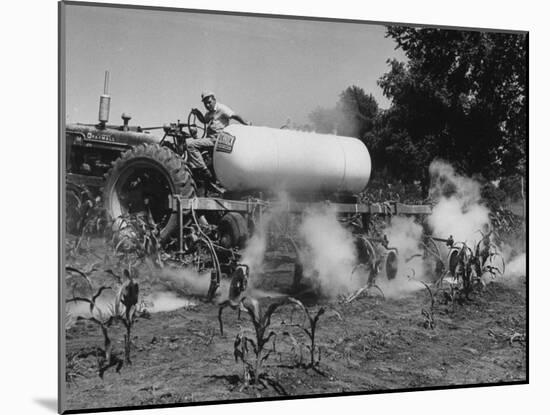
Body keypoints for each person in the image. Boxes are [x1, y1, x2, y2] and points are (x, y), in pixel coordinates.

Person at [186, 91, 250, 182]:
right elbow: (204, 121)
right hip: (210, 139)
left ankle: (204, 170)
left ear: (214, 100)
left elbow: (234, 115)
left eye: (209, 102)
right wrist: (197, 113)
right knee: (195, 145)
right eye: (205, 104)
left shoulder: (221, 108)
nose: (207, 105)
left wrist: (245, 123)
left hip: (217, 140)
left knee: (190, 144)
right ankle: (198, 167)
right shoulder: (209, 113)